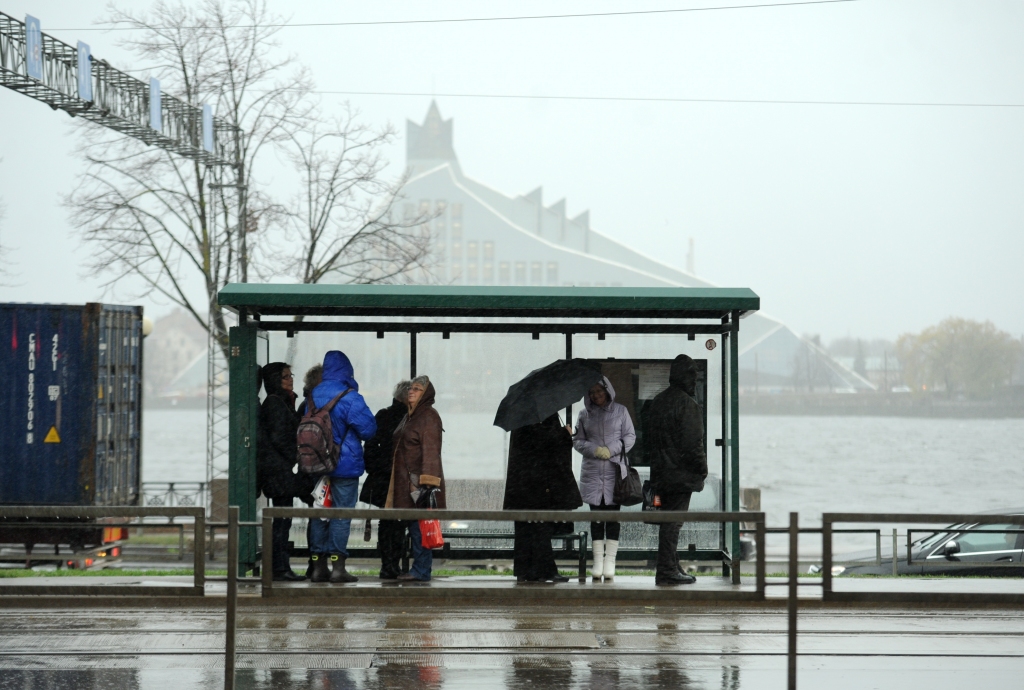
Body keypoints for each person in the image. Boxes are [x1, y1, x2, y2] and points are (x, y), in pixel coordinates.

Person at [308, 351, 378, 584]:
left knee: (319, 514)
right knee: (341, 515)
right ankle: (338, 567)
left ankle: (318, 567)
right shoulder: (350, 397)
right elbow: (369, 430)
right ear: (347, 371)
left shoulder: (312, 395)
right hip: (343, 466)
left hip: (316, 465)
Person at [646, 354, 708, 586]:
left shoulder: (658, 401)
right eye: (693, 375)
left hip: (660, 474)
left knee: (667, 522)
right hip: (680, 476)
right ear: (687, 377)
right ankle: (666, 570)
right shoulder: (687, 404)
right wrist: (701, 470)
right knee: (673, 523)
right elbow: (694, 445)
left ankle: (672, 565)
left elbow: (649, 441)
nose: (695, 380)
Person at [503, 413, 583, 583]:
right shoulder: (540, 417)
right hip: (538, 483)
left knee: (527, 527)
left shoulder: (521, 417)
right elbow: (544, 443)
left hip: (524, 483)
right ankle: (543, 570)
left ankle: (526, 570)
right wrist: (565, 433)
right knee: (540, 527)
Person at [573, 376, 636, 582]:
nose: (596, 395)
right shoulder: (584, 414)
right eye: (592, 392)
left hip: (615, 473)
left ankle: (611, 560)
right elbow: (578, 441)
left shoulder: (621, 411)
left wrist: (611, 450)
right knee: (596, 518)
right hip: (592, 473)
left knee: (613, 517)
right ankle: (597, 561)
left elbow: (630, 437)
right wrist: (594, 450)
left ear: (607, 391)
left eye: (599, 391)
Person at [386, 375, 445, 582]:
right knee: (415, 526)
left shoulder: (428, 416)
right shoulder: (412, 415)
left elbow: (430, 451)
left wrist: (427, 483)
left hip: (418, 484)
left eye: (417, 389)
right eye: (411, 388)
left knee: (420, 527)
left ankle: (421, 570)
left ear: (426, 394)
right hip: (407, 483)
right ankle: (419, 569)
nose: (411, 391)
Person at [256, 362, 304, 581]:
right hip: (277, 470)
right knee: (282, 519)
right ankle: (280, 567)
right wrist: (293, 456)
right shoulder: (275, 403)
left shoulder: (282, 401)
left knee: (283, 518)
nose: (290, 379)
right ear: (275, 380)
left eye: (290, 375)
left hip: (278, 468)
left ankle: (280, 565)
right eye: (285, 376)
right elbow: (279, 437)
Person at [361, 380, 412, 580]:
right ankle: (394, 564)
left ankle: (387, 565)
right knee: (398, 524)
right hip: (399, 478)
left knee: (387, 523)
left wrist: (377, 469)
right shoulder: (409, 419)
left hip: (382, 478)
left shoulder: (383, 415)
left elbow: (371, 447)